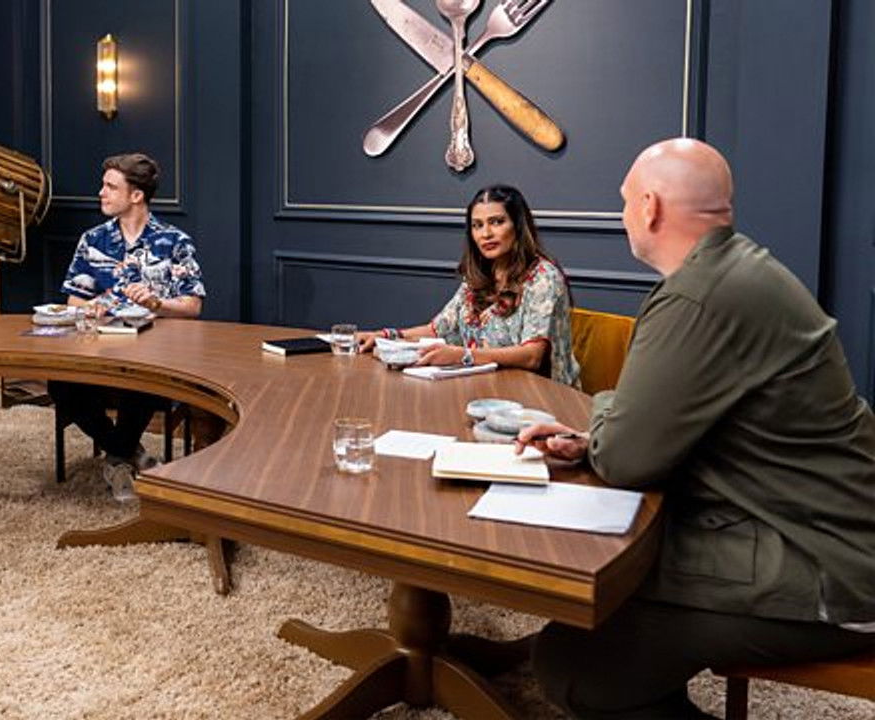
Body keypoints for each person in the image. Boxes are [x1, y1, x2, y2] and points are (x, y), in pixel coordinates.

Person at [517, 138, 875, 719]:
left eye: (626, 201)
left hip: (829, 567)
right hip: (825, 527)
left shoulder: (697, 296)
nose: (623, 214)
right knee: (598, 599)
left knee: (573, 663)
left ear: (650, 207)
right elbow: (664, 426)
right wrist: (605, 431)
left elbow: (626, 457)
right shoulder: (741, 269)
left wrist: (604, 409)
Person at [48, 153, 205, 501]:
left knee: (142, 378)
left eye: (110, 187)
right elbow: (74, 300)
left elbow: (193, 306)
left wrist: (157, 304)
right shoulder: (92, 240)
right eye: (103, 185)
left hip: (153, 354)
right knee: (60, 383)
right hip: (98, 349)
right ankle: (126, 451)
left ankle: (118, 458)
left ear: (136, 195)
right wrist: (94, 306)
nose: (101, 192)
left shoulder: (175, 241)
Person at [357, 185, 579, 386]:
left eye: (497, 222)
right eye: (477, 225)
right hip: (486, 387)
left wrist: (464, 355)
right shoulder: (478, 276)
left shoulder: (544, 277)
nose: (486, 234)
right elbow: (438, 329)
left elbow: (532, 356)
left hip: (541, 396)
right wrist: (385, 336)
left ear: (519, 226)